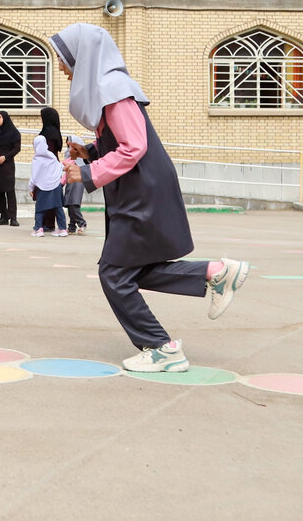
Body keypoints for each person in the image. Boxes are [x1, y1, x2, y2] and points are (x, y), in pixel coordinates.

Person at [53, 22, 250, 374]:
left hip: (141, 192)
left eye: (64, 58)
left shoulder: (112, 88)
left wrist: (87, 173)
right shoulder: (108, 89)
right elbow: (122, 142)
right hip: (137, 189)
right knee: (129, 271)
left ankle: (162, 347)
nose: (62, 67)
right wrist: (90, 152)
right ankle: (214, 273)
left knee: (114, 274)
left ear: (82, 57)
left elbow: (134, 146)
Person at [27, 135, 66, 236]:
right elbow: (59, 167)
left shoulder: (37, 159)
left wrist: (30, 187)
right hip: (56, 185)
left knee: (40, 208)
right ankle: (62, 229)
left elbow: (34, 177)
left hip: (42, 187)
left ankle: (38, 229)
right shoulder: (51, 155)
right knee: (58, 208)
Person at [0, 110, 21, 226]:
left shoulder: (14, 132)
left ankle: (13, 217)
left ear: (5, 118)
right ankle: (3, 216)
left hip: (7, 165)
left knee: (9, 190)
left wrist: (5, 157)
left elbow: (17, 148)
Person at [63, 134, 89, 234]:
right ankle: (71, 226)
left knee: (74, 204)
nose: (69, 149)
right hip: (70, 181)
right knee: (69, 204)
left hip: (78, 181)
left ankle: (82, 223)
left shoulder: (81, 161)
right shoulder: (69, 157)